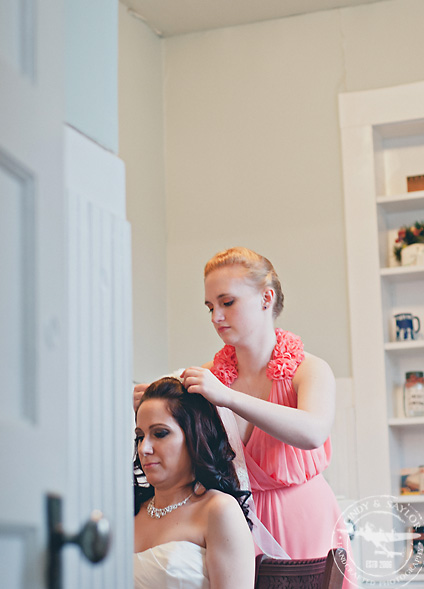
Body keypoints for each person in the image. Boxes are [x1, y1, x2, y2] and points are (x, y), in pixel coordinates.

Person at [134, 247, 354, 586]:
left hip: (303, 517)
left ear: (266, 298)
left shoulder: (309, 370)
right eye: (210, 307)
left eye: (227, 302)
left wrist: (229, 397)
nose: (216, 317)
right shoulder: (207, 376)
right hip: (231, 516)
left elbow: (313, 432)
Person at [133, 376, 255, 589]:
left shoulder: (218, 510)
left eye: (160, 433)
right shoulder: (129, 512)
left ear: (194, 436)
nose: (144, 448)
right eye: (140, 436)